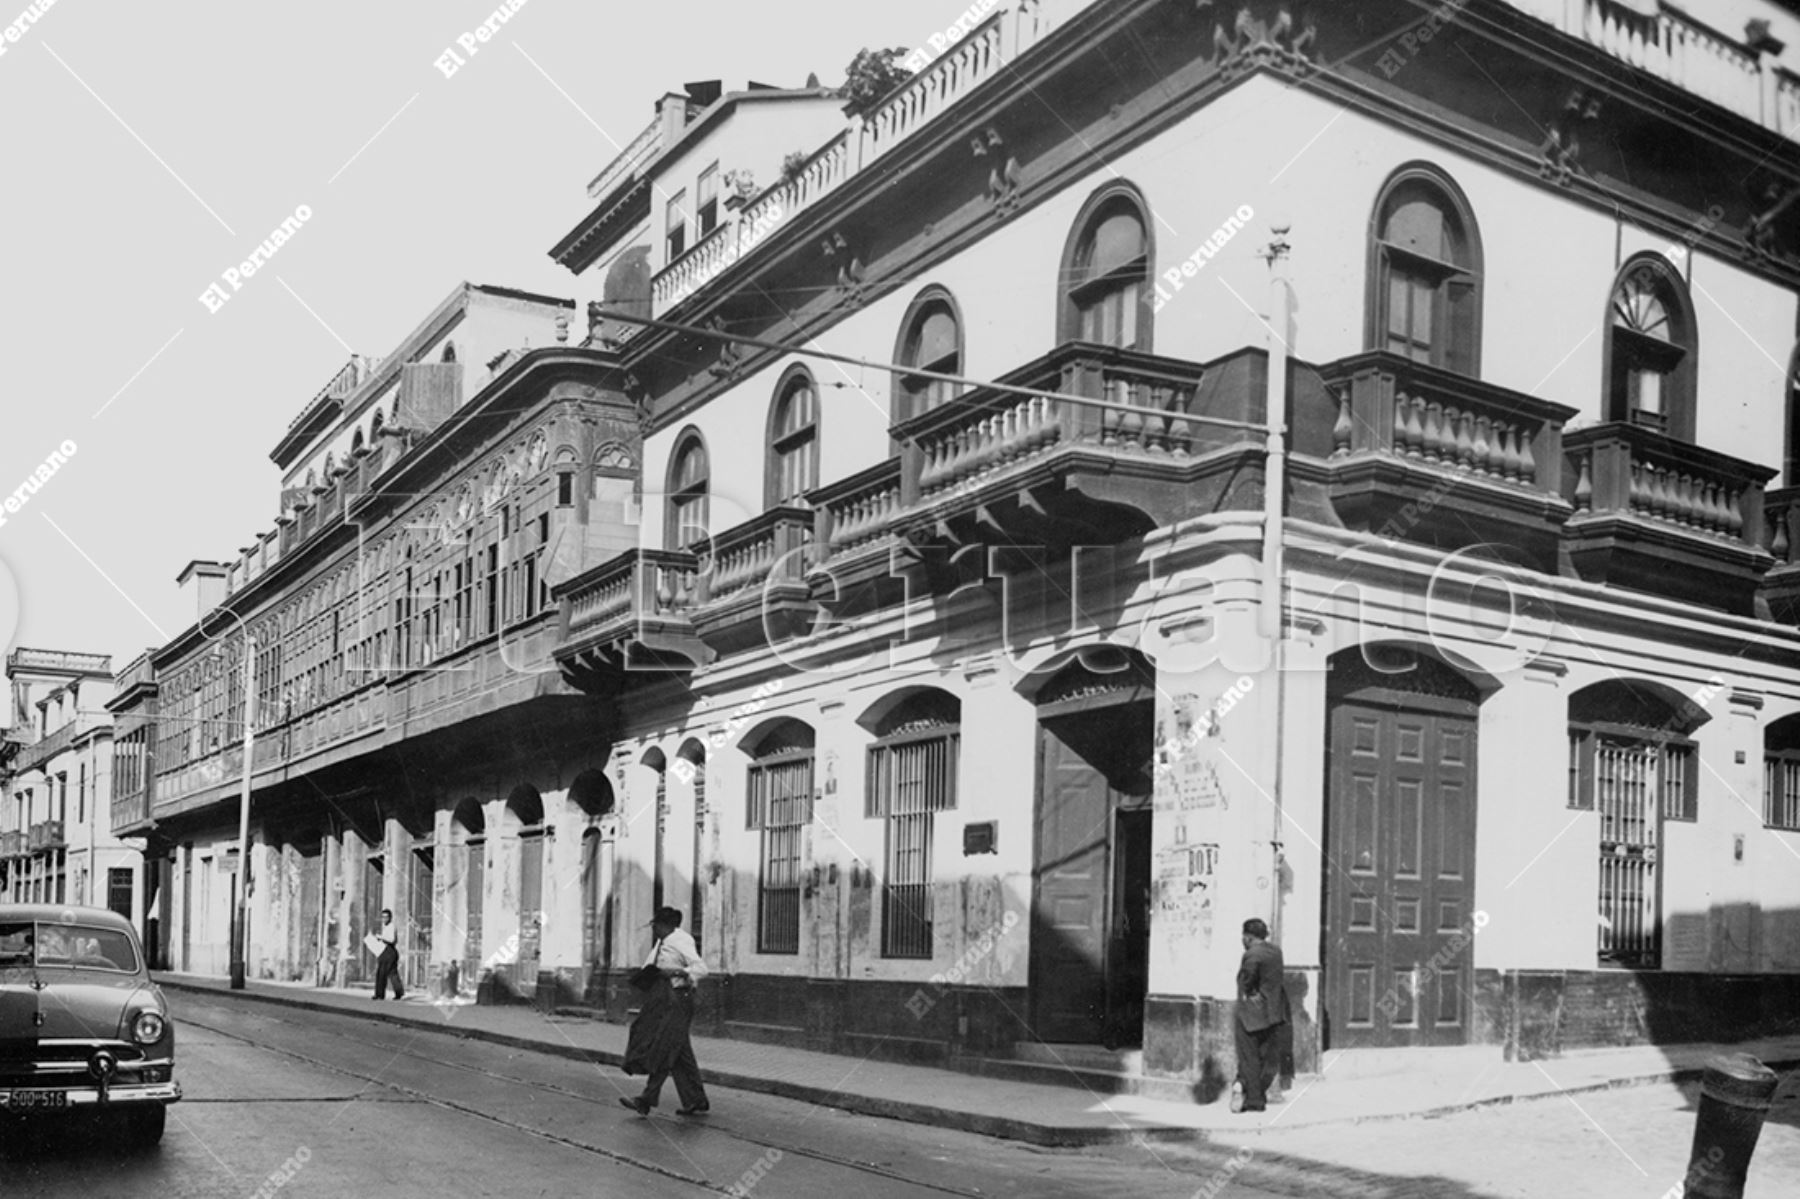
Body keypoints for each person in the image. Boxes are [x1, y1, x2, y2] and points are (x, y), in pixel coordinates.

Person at [619, 906, 710, 1117]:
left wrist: (679, 971)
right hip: (664, 1000)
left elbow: (702, 968)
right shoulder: (663, 942)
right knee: (679, 1052)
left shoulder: (681, 940)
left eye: (655, 925)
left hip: (680, 998)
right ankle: (696, 1100)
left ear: (665, 925)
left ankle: (646, 1099)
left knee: (665, 1047)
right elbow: (649, 965)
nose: (654, 930)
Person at [1234, 916, 1288, 1113]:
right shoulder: (1276, 951)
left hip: (1253, 1013)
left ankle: (1254, 1100)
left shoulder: (1251, 955)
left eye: (1243, 937)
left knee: (1249, 1057)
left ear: (1248, 937)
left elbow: (1245, 981)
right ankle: (1249, 1089)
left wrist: (1248, 992)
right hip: (1273, 1012)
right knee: (1264, 1056)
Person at [373, 909, 404, 1001]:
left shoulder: (391, 926)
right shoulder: (386, 927)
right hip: (385, 950)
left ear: (390, 918)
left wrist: (381, 937)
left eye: (386, 917)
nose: (384, 919)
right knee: (391, 972)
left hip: (389, 951)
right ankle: (398, 992)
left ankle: (380, 994)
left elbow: (392, 939)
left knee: (383, 972)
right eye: (383, 917)